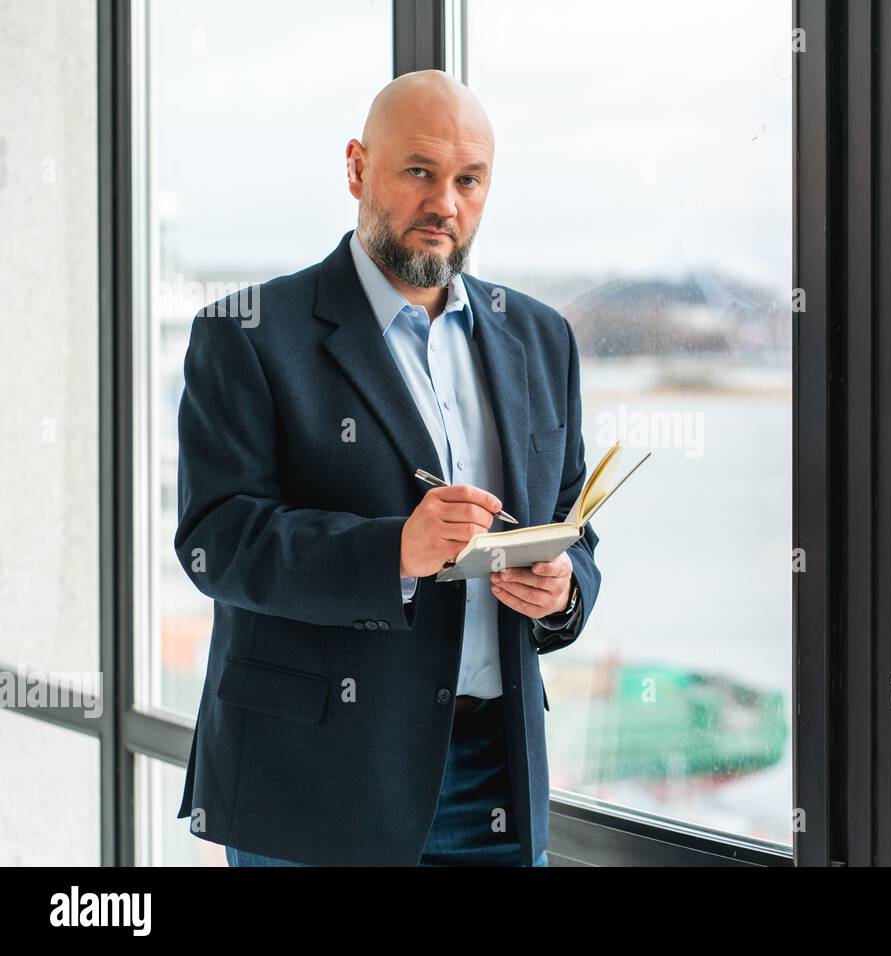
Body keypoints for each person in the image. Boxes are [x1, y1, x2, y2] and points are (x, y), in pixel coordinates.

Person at [174, 69, 599, 867]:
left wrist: (563, 590)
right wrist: (395, 551)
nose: (445, 202)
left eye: (469, 180)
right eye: (419, 172)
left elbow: (575, 525)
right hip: (314, 785)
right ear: (356, 168)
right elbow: (216, 540)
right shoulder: (248, 334)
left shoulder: (542, 338)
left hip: (497, 779)